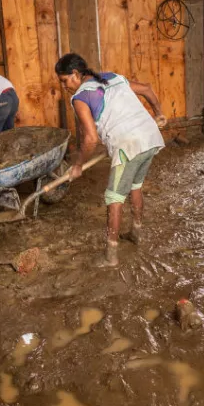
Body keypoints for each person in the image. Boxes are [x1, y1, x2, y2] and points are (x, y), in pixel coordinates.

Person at [55, 53, 167, 267]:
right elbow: (146, 89)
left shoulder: (80, 97)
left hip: (129, 145)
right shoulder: (112, 77)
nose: (64, 86)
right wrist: (158, 113)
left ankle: (110, 256)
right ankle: (136, 233)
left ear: (76, 74)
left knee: (114, 198)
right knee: (135, 186)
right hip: (150, 137)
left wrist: (78, 165)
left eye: (64, 80)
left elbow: (90, 139)